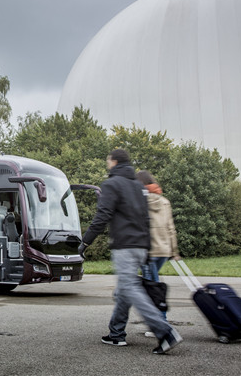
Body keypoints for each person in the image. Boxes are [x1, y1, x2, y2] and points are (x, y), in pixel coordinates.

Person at [78, 149, 183, 354]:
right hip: (141, 245)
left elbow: (102, 216)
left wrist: (85, 243)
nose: (107, 164)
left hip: (125, 246)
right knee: (126, 289)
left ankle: (165, 332)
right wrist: (148, 248)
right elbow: (145, 218)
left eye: (108, 160)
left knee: (130, 289)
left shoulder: (111, 184)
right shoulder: (138, 186)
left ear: (114, 161)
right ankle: (116, 334)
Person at [136, 170, 181, 324]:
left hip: (149, 251)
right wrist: (174, 251)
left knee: (152, 288)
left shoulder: (140, 201)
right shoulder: (164, 201)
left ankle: (160, 323)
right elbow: (170, 227)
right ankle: (158, 321)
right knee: (153, 284)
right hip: (164, 249)